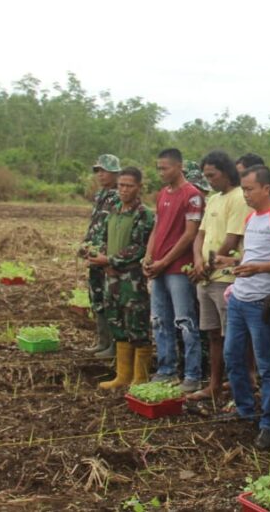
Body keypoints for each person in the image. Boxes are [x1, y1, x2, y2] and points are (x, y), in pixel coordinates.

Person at [221, 165, 270, 450]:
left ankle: (269, 421)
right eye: (243, 189)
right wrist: (235, 263)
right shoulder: (251, 218)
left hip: (262, 302)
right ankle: (244, 409)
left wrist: (257, 269)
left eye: (250, 189)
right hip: (240, 299)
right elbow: (250, 255)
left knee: (267, 365)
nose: (246, 194)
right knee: (232, 357)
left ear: (266, 189)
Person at [187, 151, 250, 401]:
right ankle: (214, 384)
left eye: (212, 175)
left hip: (225, 278)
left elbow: (232, 239)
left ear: (226, 172)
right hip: (206, 277)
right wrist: (198, 261)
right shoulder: (213, 199)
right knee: (213, 334)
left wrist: (208, 266)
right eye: (206, 175)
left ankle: (238, 386)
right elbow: (200, 234)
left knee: (232, 336)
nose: (209, 180)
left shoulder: (239, 198)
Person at [143, 148, 205, 391]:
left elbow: (190, 234)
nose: (161, 172)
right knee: (159, 320)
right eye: (158, 168)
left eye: (165, 168)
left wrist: (165, 261)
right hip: (159, 268)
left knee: (185, 321)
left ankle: (192, 374)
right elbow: (157, 228)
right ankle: (166, 370)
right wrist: (148, 256)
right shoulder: (162, 194)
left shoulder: (193, 195)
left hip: (177, 269)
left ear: (179, 167)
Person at [94, 167, 156, 390]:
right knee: (117, 323)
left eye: (129, 186)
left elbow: (139, 247)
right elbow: (102, 238)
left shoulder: (144, 214)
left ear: (139, 187)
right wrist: (99, 257)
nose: (124, 190)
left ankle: (140, 379)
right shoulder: (113, 211)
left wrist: (110, 260)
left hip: (132, 279)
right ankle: (123, 376)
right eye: (121, 185)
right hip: (111, 278)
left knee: (137, 325)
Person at [82, 154, 122, 359]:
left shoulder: (119, 196)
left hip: (108, 257)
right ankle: (102, 341)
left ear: (115, 173)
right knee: (96, 296)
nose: (100, 174)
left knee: (110, 299)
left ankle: (114, 346)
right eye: (98, 170)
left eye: (104, 170)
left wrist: (107, 255)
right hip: (94, 254)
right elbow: (95, 224)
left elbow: (116, 229)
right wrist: (85, 245)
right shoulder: (100, 195)